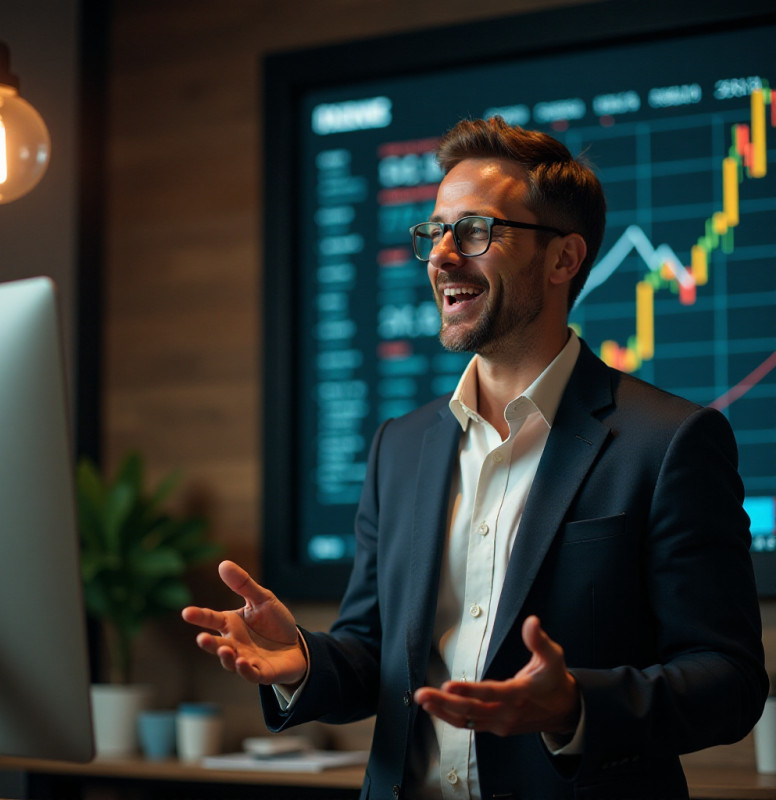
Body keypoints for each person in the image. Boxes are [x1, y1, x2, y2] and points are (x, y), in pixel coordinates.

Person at [183, 118, 767, 799]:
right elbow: (377, 656)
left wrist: (575, 704)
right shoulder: (398, 448)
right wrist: (301, 663)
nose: (441, 257)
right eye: (435, 232)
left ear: (562, 259)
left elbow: (728, 680)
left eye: (475, 232)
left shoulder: (671, 442)